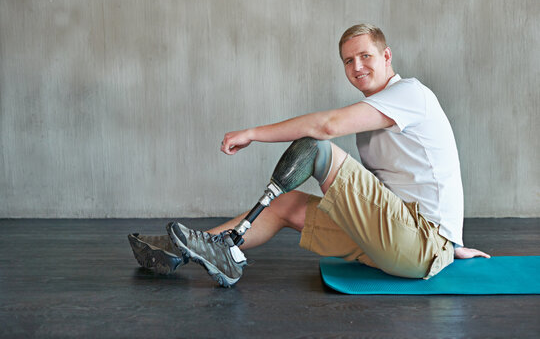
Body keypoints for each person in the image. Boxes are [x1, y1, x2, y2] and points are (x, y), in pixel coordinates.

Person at [128, 23, 490, 287]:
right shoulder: (378, 110)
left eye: (365, 56)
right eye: (348, 61)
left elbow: (327, 127)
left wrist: (253, 133)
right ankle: (188, 247)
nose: (358, 67)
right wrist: (451, 244)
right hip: (398, 240)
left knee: (318, 146)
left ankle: (213, 250)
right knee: (286, 205)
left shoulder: (411, 94)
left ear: (386, 55)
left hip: (418, 241)